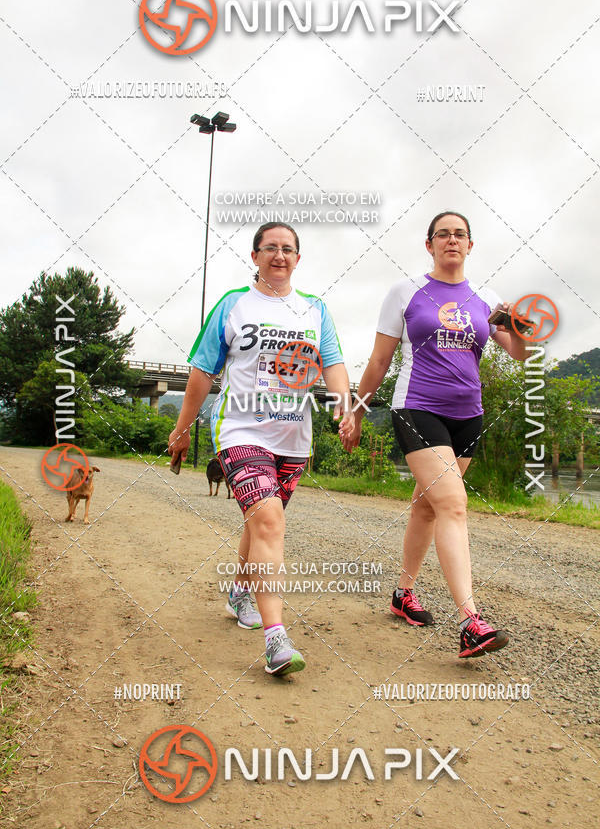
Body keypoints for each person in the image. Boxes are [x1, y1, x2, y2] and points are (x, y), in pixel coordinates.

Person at [169, 222, 354, 676]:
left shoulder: (315, 310)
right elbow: (201, 372)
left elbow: (332, 364)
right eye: (270, 247)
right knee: (269, 520)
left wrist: (346, 407)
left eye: (288, 249)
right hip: (240, 431)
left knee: (260, 524)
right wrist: (182, 428)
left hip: (294, 438)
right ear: (255, 256)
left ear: (297, 258)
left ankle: (239, 591)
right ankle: (277, 641)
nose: (279, 255)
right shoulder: (234, 305)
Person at [344, 211, 528, 658]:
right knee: (452, 503)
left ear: (471, 245)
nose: (451, 240)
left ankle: (402, 593)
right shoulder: (405, 292)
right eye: (442, 234)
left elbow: (520, 354)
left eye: (459, 234)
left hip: (468, 415)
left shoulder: (487, 298)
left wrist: (518, 324)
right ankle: (471, 621)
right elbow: (379, 361)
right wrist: (357, 410)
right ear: (429, 245)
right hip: (417, 408)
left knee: (427, 507)